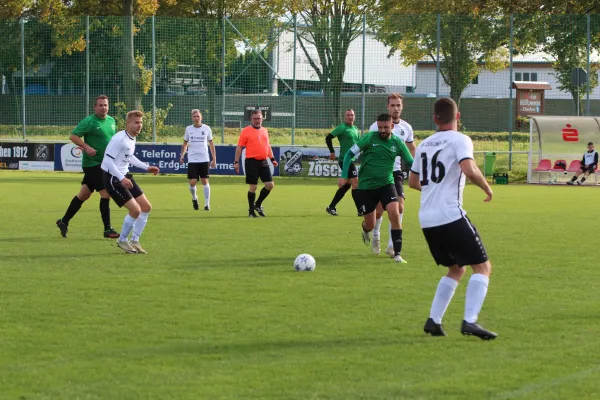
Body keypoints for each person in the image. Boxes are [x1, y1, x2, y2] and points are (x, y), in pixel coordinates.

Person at [408, 97, 497, 340]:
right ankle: (470, 321)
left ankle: (433, 321)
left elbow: (413, 182)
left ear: (434, 118)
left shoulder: (424, 144)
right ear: (458, 117)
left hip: (427, 218)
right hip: (450, 214)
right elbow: (469, 169)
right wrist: (486, 187)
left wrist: (433, 190)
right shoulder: (460, 139)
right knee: (483, 267)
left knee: (457, 269)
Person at [339, 113, 413, 263]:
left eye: (386, 127)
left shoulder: (398, 143)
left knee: (395, 211)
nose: (383, 130)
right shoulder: (369, 137)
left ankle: (397, 254)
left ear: (392, 126)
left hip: (387, 184)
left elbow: (411, 161)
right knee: (370, 224)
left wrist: (422, 173)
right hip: (366, 188)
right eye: (380, 127)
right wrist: (344, 175)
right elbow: (348, 155)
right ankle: (365, 230)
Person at [55, 95, 119, 239]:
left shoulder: (111, 120)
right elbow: (74, 136)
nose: (103, 107)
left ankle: (63, 221)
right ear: (95, 107)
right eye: (100, 105)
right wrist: (86, 146)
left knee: (84, 194)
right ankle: (108, 229)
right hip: (92, 164)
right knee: (106, 193)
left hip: (105, 163)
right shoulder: (89, 121)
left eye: (105, 105)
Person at [101, 110, 160, 254]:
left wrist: (146, 167)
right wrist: (121, 178)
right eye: (136, 122)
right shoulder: (119, 139)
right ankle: (122, 240)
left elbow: (130, 156)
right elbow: (107, 161)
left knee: (146, 207)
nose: (139, 125)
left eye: (140, 122)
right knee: (135, 210)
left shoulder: (131, 138)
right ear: (128, 123)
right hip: (113, 178)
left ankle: (135, 240)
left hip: (125, 175)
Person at [369, 93, 416, 256]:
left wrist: (415, 167)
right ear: (387, 107)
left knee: (399, 208)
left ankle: (391, 246)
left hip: (396, 172)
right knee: (379, 211)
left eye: (398, 105)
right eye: (393, 105)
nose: (396, 108)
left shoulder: (406, 128)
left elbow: (411, 148)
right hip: (379, 174)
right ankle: (375, 235)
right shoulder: (376, 127)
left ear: (402, 107)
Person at [234, 110, 279, 218]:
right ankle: (251, 211)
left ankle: (257, 204)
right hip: (251, 162)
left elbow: (268, 146)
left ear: (262, 118)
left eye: (259, 118)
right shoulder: (246, 131)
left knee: (270, 185)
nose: (257, 120)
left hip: (263, 161)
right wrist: (236, 162)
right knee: (253, 187)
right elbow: (239, 147)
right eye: (255, 118)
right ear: (251, 119)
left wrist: (272, 158)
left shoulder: (264, 130)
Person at [325, 109, 360, 216]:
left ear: (354, 116)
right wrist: (332, 151)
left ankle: (331, 207)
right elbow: (328, 138)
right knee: (355, 184)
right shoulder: (342, 128)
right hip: (345, 159)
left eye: (352, 115)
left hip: (352, 159)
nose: (350, 117)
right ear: (345, 117)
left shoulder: (355, 129)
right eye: (348, 115)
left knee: (347, 186)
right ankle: (361, 210)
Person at [180, 109, 217, 210]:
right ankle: (194, 198)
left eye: (198, 116)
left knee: (205, 180)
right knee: (192, 182)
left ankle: (206, 204)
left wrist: (214, 158)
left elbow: (211, 144)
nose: (196, 118)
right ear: (192, 118)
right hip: (192, 159)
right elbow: (185, 143)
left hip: (204, 158)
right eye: (194, 116)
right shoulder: (188, 129)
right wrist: (182, 155)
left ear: (201, 117)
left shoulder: (206, 128)